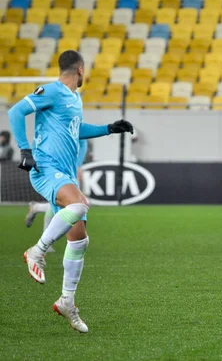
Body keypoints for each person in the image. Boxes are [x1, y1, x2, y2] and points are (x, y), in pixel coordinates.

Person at [7, 50, 134, 333]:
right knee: (79, 206)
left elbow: (76, 130)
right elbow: (15, 111)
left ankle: (67, 301)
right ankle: (36, 251)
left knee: (79, 241)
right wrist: (25, 148)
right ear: (80, 70)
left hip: (64, 173)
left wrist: (109, 128)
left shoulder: (75, 98)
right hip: (46, 169)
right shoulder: (51, 91)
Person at [24, 139, 90, 254]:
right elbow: (37, 142)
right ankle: (44, 245)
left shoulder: (72, 122)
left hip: (69, 167)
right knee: (72, 203)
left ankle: (37, 208)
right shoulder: (46, 124)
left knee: (69, 203)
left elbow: (83, 143)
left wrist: (77, 165)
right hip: (51, 169)